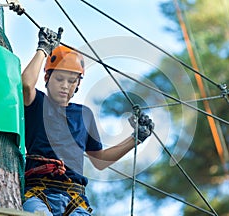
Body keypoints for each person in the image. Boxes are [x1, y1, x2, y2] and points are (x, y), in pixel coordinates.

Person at [21, 27, 154, 216]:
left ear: (78, 85)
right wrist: (43, 49)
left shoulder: (84, 115)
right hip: (38, 193)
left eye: (71, 81)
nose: (65, 86)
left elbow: (99, 160)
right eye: (59, 79)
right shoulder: (37, 104)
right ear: (47, 78)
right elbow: (26, 84)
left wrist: (136, 138)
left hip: (74, 198)